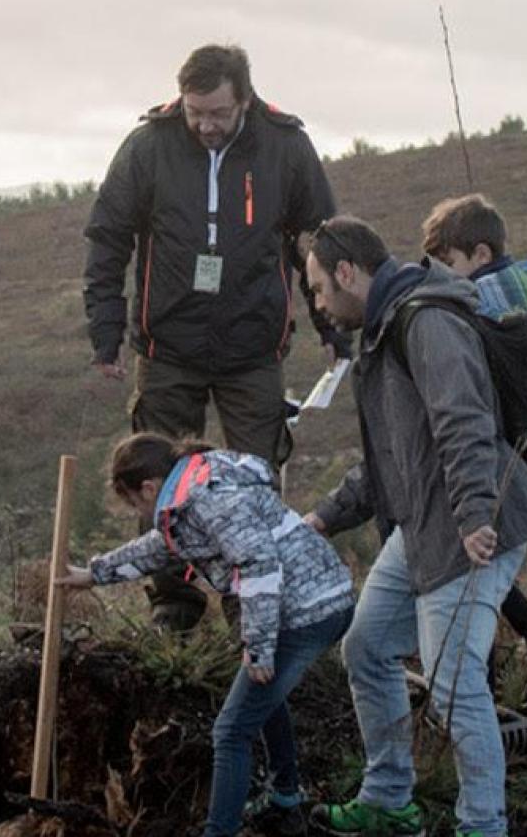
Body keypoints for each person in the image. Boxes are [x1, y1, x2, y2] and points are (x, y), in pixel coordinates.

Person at [301, 216, 527, 837]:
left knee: (452, 681)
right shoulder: (386, 331)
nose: (318, 305)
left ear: (346, 273)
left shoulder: (426, 321)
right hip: (425, 524)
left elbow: (464, 421)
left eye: (318, 289)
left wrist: (473, 515)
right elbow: (392, 459)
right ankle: (389, 800)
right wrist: (326, 516)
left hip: (474, 524)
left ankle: (483, 825)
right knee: (367, 647)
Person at [82, 43, 349, 632]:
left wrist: (331, 325)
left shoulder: (285, 147)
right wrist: (106, 332)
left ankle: (251, 603)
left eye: (217, 113)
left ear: (244, 101)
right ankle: (173, 604)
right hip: (167, 346)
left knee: (253, 481)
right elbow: (108, 239)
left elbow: (319, 241)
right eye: (194, 111)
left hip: (252, 348)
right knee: (160, 482)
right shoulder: (148, 146)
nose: (204, 125)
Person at [57, 433, 354, 837]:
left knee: (230, 731)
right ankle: (286, 799)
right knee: (262, 701)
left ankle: (221, 829)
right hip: (316, 600)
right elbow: (163, 546)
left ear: (149, 487)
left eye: (135, 503)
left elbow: (258, 564)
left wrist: (260, 647)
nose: (139, 512)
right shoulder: (192, 491)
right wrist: (95, 573)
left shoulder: (209, 498)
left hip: (308, 611)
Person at [422, 193, 527, 707]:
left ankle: (490, 677)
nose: (446, 275)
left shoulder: (475, 296)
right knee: (486, 559)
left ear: (480, 254)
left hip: (501, 453)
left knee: (473, 556)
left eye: (449, 262)